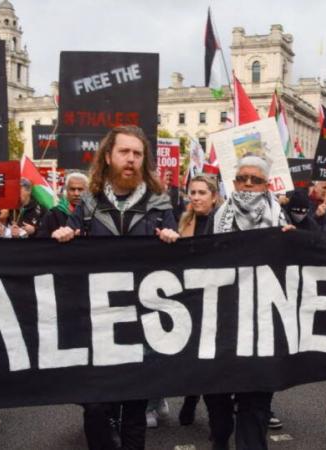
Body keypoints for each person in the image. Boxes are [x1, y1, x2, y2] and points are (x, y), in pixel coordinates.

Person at [52, 125, 179, 450]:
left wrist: (172, 243)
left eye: (138, 153)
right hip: (98, 322)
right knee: (96, 407)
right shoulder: (89, 203)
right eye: (124, 151)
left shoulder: (160, 203)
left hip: (141, 321)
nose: (131, 159)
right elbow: (70, 245)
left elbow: (179, 260)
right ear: (108, 156)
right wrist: (63, 239)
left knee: (135, 411)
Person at [209, 154, 294, 450]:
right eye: (242, 178)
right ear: (233, 182)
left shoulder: (282, 221)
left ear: (266, 185)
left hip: (264, 324)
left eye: (255, 180)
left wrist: (294, 245)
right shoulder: (216, 218)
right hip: (223, 321)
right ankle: (220, 437)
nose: (247, 184)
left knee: (255, 404)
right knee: (219, 402)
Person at [176, 174, 221, 427]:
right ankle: (191, 397)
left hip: (216, 297)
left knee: (212, 356)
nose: (195, 197)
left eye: (202, 192)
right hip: (191, 299)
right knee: (193, 355)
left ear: (214, 197)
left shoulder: (223, 221)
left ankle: (217, 413)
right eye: (192, 192)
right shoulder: (184, 221)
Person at [36, 172, 89, 238]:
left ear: (88, 191)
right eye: (72, 189)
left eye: (80, 189)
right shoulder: (52, 215)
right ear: (66, 190)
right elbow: (41, 241)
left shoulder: (95, 215)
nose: (76, 193)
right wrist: (54, 237)